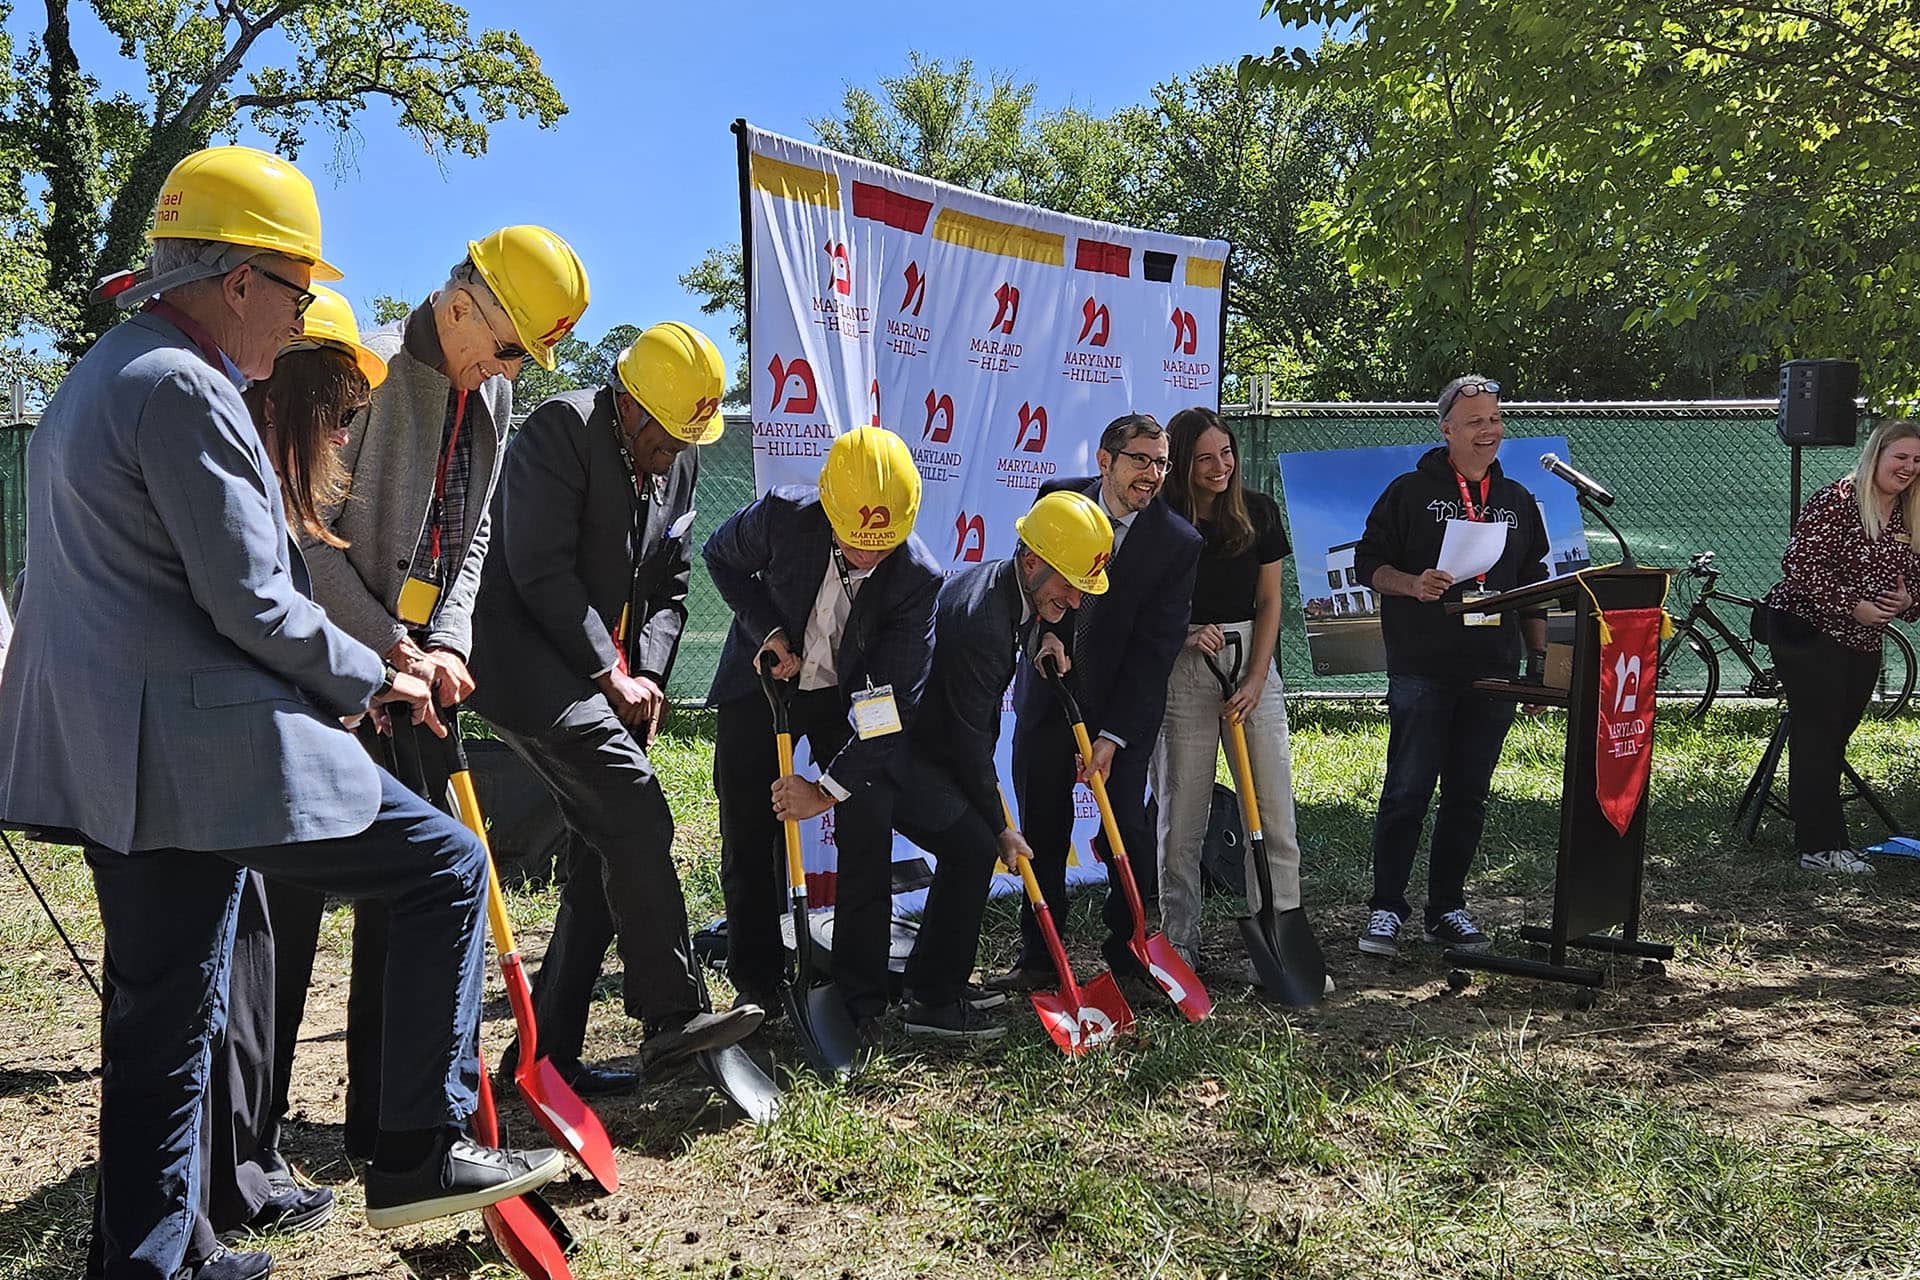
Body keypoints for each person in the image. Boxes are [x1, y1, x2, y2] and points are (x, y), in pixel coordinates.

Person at [0, 145, 561, 1280]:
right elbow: (254, 597)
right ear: (240, 277)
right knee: (444, 866)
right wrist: (375, 677)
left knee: (161, 1012)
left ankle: (153, 1253)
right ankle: (411, 1146)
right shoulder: (184, 387)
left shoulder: (103, 372)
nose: (303, 317)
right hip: (197, 749)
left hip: (116, 756)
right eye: (298, 289)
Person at [268, 224, 590, 1161]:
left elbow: (475, 535)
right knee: (289, 895)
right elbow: (304, 537)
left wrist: (444, 642)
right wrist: (389, 648)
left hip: (414, 671)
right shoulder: (360, 377)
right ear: (457, 308)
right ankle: (253, 1124)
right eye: (500, 344)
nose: (505, 367)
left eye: (521, 356)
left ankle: (387, 1116)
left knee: (415, 891)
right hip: (329, 667)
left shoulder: (494, 386)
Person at [468, 322, 762, 1086]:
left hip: (607, 676)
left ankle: (545, 1057)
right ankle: (670, 1015)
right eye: (665, 436)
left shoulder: (683, 456)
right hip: (522, 659)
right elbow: (539, 572)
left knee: (608, 844)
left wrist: (651, 677)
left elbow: (669, 582)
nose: (673, 455)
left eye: (686, 439)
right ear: (628, 404)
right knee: (633, 802)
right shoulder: (559, 428)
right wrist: (610, 673)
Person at [704, 427, 941, 1030]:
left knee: (868, 822)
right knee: (749, 834)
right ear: (829, 507)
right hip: (763, 687)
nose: (866, 558)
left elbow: (890, 708)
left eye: (880, 548)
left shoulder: (917, 578)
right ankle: (756, 985)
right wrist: (767, 632)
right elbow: (720, 556)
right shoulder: (784, 515)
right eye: (855, 544)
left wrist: (826, 790)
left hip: (852, 702)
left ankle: (860, 999)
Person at [990, 413, 1202, 992]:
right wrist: (1044, 633)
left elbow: (1155, 651)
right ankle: (1040, 959)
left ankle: (1130, 958)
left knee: (1124, 836)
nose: (1153, 474)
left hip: (1118, 716)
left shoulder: (1177, 544)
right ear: (1105, 460)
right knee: (1044, 829)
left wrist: (1113, 737)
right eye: (1141, 460)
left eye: (1162, 463)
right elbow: (1027, 585)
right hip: (1048, 701)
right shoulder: (1056, 498)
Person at [894, 491, 1114, 1039]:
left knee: (967, 845)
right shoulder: (984, 629)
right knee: (973, 845)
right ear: (1034, 561)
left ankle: (935, 979)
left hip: (929, 740)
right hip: (896, 751)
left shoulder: (1006, 586)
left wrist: (1044, 638)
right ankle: (931, 1003)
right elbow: (972, 743)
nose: (1076, 602)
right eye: (1068, 586)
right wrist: (1002, 826)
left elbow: (1030, 618)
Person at [1352, 375, 1549, 959]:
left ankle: (1447, 909)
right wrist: (1412, 584)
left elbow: (1533, 582)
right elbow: (1369, 564)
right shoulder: (1410, 491)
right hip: (1422, 667)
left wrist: (1538, 663)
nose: (1489, 431)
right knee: (1407, 791)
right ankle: (1387, 906)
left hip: (1492, 669)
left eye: (1494, 420)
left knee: (1468, 794)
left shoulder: (1516, 500)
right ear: (1447, 430)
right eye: (1475, 422)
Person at [1152, 406, 1304, 980]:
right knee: (1181, 817)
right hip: (1185, 667)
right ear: (1183, 465)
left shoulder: (1258, 512)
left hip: (1250, 665)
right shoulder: (1161, 519)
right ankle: (1179, 945)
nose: (1220, 466)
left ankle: (1280, 941)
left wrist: (1258, 678)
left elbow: (1270, 602)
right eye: (1204, 458)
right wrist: (1185, 634)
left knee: (1271, 814)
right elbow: (1144, 604)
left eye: (1226, 453)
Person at [1761, 418, 1920, 873]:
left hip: (1864, 634)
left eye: (1916, 460)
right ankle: (1820, 846)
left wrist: (1909, 599)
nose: (1908, 467)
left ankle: (1823, 832)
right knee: (1818, 731)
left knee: (1837, 732)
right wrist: (1852, 606)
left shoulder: (1911, 510)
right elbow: (1800, 562)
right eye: (1901, 457)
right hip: (1807, 626)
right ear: (1878, 456)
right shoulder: (1839, 499)